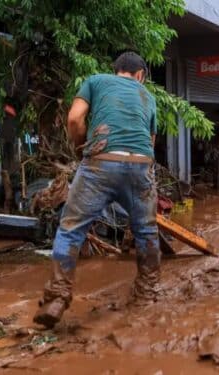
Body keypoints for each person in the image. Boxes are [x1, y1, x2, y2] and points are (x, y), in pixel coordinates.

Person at [34, 52, 160, 328]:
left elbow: (74, 119)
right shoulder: (148, 97)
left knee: (71, 229)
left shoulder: (95, 81)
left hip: (100, 163)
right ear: (140, 75)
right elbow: (150, 144)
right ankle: (146, 296)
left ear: (116, 70)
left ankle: (57, 297)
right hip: (140, 166)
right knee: (147, 231)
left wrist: (81, 147)